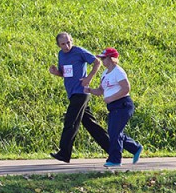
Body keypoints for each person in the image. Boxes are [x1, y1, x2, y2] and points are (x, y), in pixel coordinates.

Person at [48, 32, 109, 163]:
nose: (66, 46)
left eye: (69, 42)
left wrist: (89, 78)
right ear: (58, 45)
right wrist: (55, 72)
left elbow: (97, 62)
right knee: (91, 125)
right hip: (72, 93)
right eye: (63, 44)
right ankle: (113, 149)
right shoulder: (61, 55)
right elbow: (64, 73)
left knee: (70, 121)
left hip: (81, 92)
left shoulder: (79, 51)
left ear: (72, 41)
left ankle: (64, 153)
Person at [84, 47, 143, 167]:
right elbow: (101, 90)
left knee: (114, 132)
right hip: (113, 107)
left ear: (111, 59)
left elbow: (126, 88)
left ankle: (115, 160)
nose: (102, 60)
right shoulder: (105, 73)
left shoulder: (118, 71)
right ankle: (135, 147)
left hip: (123, 105)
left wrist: (112, 98)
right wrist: (90, 90)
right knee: (114, 132)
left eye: (104, 58)